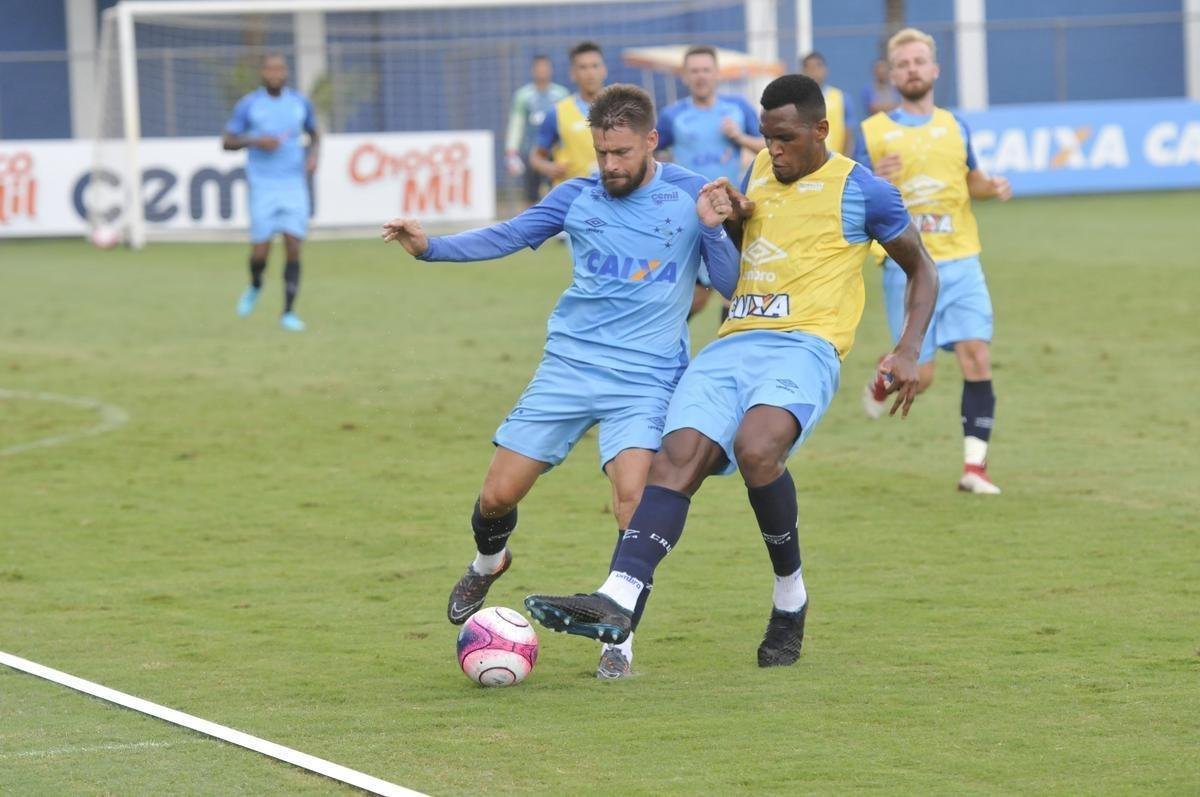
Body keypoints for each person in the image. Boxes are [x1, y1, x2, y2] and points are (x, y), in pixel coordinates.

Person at [524, 74, 939, 668]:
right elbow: (750, 254)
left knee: (757, 448)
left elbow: (922, 268)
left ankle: (789, 596)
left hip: (805, 346)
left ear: (821, 131)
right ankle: (616, 600)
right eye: (767, 138)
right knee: (678, 457)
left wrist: (908, 347)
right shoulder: (762, 172)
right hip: (732, 341)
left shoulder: (864, 191)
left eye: (786, 138)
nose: (773, 151)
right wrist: (737, 217)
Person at [382, 85, 740, 679]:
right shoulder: (576, 196)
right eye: (602, 152)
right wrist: (429, 248)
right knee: (497, 495)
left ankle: (618, 638)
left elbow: (728, 281)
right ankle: (489, 561)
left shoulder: (691, 194)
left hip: (646, 379)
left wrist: (711, 229)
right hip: (569, 368)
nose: (611, 165)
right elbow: (509, 235)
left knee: (634, 504)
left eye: (622, 152)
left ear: (651, 141)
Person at [856, 27, 1012, 495]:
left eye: (919, 61)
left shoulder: (955, 126)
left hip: (962, 260)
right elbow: (852, 194)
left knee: (977, 355)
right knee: (919, 378)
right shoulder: (873, 132)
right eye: (902, 64)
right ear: (891, 73)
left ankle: (975, 468)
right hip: (906, 268)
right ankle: (886, 378)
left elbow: (972, 181)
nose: (912, 69)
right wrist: (872, 179)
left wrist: (993, 187)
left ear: (934, 69)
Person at [656, 45, 765, 320]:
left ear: (717, 74)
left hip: (732, 214)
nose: (701, 76)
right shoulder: (672, 115)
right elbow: (650, 152)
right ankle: (658, 342)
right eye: (694, 71)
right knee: (695, 297)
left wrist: (739, 137)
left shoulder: (738, 109)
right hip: (687, 215)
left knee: (737, 291)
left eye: (706, 70)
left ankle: (729, 356)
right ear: (685, 76)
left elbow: (768, 148)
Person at [223, 53, 319, 332]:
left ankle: (288, 312)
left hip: (293, 183)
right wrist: (255, 140)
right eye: (270, 69)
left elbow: (314, 133)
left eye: (280, 69)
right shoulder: (249, 105)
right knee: (260, 252)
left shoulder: (299, 103)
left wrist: (314, 155)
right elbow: (227, 141)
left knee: (293, 244)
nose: (275, 74)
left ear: (286, 72)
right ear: (262, 73)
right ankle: (255, 284)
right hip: (263, 185)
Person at [529, 41, 607, 186]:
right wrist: (549, 167)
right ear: (573, 74)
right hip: (571, 197)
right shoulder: (558, 112)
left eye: (595, 66)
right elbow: (536, 157)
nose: (590, 73)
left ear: (604, 70)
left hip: (610, 194)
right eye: (583, 67)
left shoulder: (619, 108)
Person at [504, 55, 570, 208]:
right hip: (531, 151)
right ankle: (530, 226)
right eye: (538, 68)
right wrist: (511, 151)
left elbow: (567, 122)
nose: (542, 71)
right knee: (530, 194)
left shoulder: (561, 94)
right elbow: (517, 123)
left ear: (550, 70)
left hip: (555, 152)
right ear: (533, 71)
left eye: (545, 67)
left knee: (557, 191)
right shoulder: (523, 96)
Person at [800, 51, 854, 156]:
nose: (814, 72)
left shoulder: (842, 98)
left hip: (835, 162)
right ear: (803, 72)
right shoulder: (796, 100)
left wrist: (846, 161)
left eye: (818, 67)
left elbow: (849, 133)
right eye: (810, 69)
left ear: (825, 70)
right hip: (806, 164)